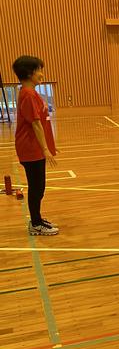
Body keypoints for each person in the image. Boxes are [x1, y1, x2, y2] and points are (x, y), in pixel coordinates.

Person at [13, 55, 58, 235]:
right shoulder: (28, 94)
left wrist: (49, 145)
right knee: (37, 187)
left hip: (34, 147)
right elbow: (36, 124)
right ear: (29, 73)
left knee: (39, 187)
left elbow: (41, 123)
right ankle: (36, 224)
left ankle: (37, 219)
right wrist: (45, 149)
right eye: (39, 70)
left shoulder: (30, 93)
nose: (41, 74)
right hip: (30, 148)